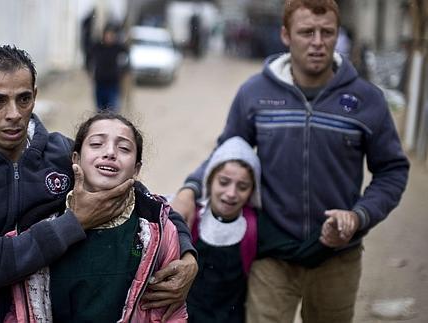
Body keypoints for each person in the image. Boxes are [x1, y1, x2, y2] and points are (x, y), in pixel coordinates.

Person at [0, 45, 197, 323]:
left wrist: (187, 254)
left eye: (24, 99)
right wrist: (74, 222)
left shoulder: (58, 152)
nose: (14, 113)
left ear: (35, 96)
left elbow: (144, 202)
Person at [171, 1, 410, 322]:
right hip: (271, 253)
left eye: (327, 32)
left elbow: (392, 170)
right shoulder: (254, 93)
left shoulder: (367, 99)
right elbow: (227, 150)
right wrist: (191, 188)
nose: (317, 42)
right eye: (306, 32)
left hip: (338, 256)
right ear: (285, 35)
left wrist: (359, 217)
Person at [6, 112, 188, 322]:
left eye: (124, 148)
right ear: (76, 158)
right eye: (96, 144)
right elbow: (17, 309)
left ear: (136, 169)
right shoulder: (41, 224)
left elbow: (171, 313)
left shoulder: (157, 229)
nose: (110, 152)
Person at [185, 136, 260, 323]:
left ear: (253, 190)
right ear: (209, 180)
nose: (231, 193)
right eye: (224, 182)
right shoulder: (191, 217)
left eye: (242, 186)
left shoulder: (254, 228)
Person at [90, 24, 129, 112]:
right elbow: (89, 57)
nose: (109, 37)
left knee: (112, 109)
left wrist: (123, 72)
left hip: (113, 82)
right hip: (100, 81)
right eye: (107, 35)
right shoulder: (97, 47)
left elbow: (126, 60)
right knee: (100, 109)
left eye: (111, 35)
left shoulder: (118, 48)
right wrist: (89, 70)